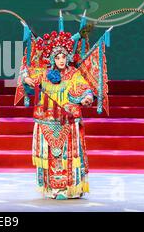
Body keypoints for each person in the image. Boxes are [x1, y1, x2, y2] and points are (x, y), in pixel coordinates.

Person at [17, 28, 95, 200]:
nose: (61, 60)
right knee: (52, 155)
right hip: (48, 122)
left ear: (67, 58)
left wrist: (88, 97)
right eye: (58, 57)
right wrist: (25, 78)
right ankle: (54, 188)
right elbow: (24, 73)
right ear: (52, 59)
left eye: (64, 57)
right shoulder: (44, 74)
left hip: (67, 121)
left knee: (69, 155)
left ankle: (72, 188)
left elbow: (85, 89)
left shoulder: (73, 74)